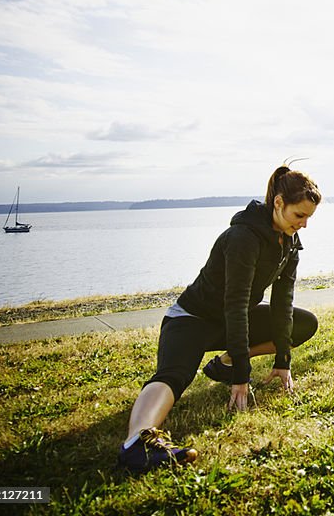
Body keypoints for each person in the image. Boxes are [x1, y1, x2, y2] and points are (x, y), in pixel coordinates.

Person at [117, 166, 322, 473]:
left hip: (230, 321)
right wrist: (243, 374)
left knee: (303, 323)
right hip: (192, 319)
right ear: (278, 203)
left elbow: (282, 303)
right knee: (174, 375)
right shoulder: (242, 237)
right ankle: (138, 443)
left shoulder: (289, 243)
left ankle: (222, 364)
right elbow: (236, 303)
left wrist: (283, 360)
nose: (304, 224)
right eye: (299, 215)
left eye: (308, 217)